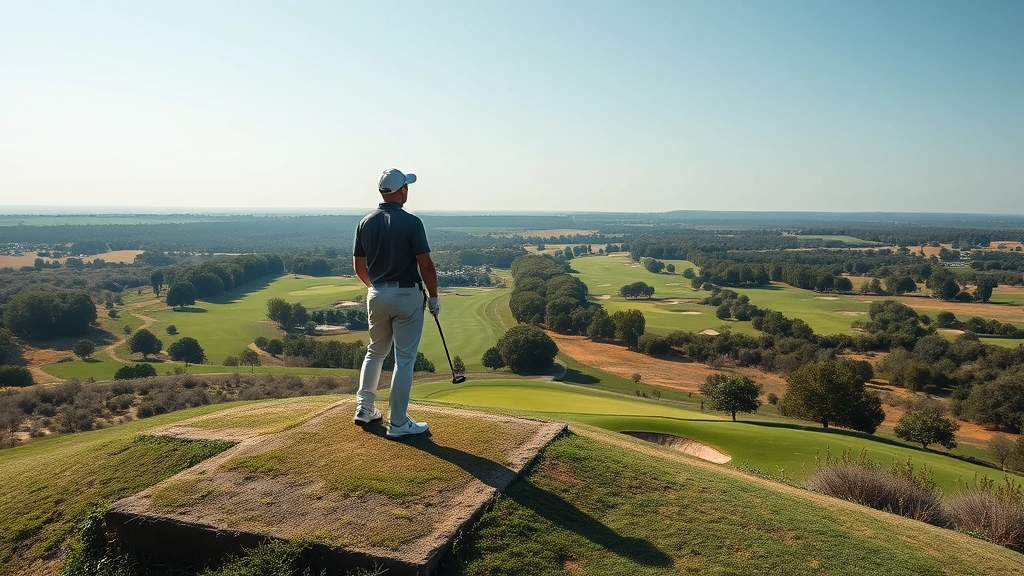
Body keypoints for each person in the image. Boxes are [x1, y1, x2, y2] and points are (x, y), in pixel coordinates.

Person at [352, 168, 440, 438]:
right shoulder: (412, 223)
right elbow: (425, 264)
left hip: (376, 293)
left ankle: (365, 409)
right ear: (401, 190)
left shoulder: (365, 222)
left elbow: (359, 266)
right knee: (404, 359)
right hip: (407, 296)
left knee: (375, 351)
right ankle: (399, 423)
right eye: (406, 187)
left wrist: (376, 289)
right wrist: (434, 297)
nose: (407, 191)